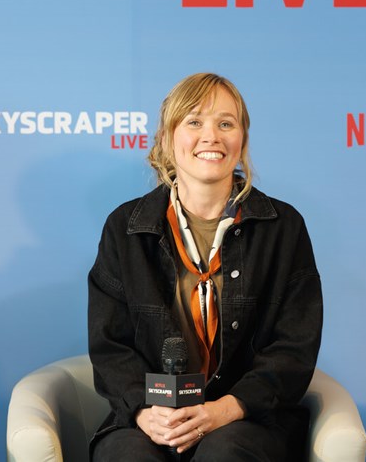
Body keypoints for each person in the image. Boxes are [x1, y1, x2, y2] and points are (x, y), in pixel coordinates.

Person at [88, 73, 322, 461]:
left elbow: (293, 349)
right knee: (127, 455)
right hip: (150, 416)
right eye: (194, 121)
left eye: (226, 123)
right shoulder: (125, 228)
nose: (211, 135)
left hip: (247, 419)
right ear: (166, 138)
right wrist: (145, 413)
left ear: (242, 140)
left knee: (225, 451)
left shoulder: (283, 227)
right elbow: (110, 346)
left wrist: (223, 410)